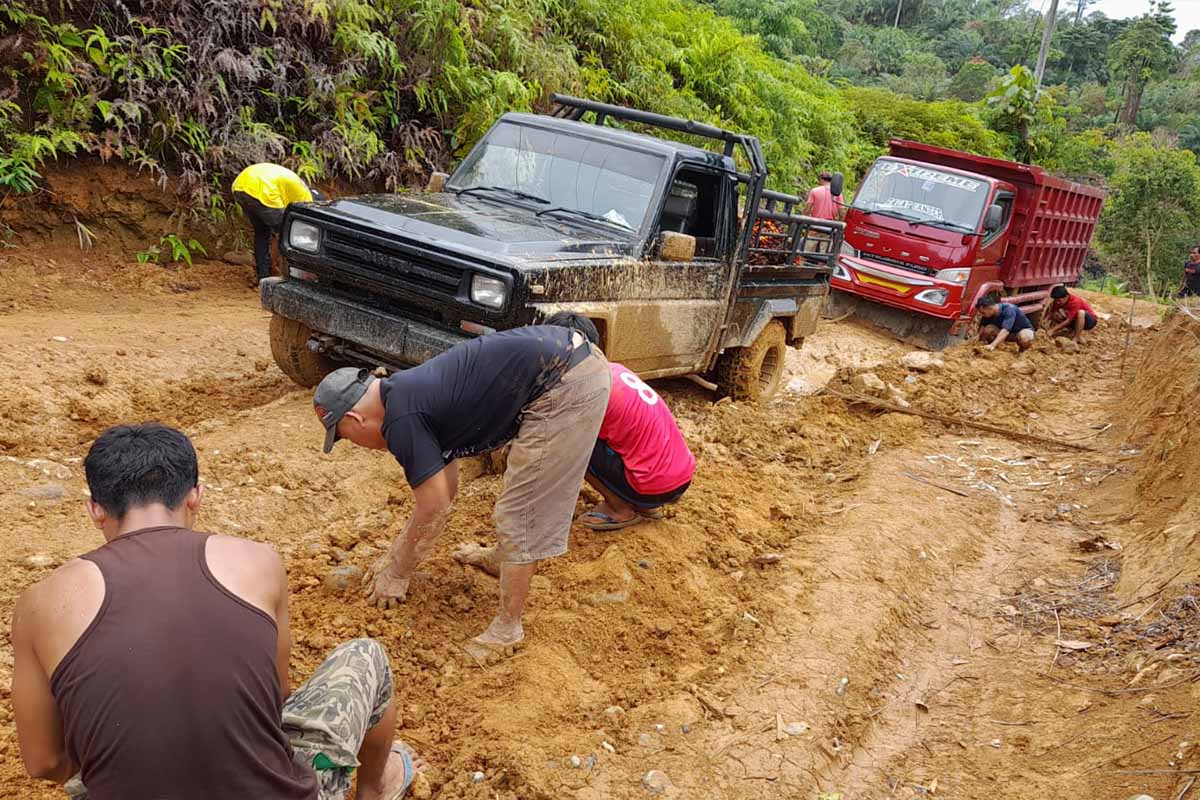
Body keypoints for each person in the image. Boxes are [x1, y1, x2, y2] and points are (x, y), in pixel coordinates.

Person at [12, 423, 424, 800]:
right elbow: (274, 699)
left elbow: (44, 763)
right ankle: (373, 788)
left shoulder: (41, 602)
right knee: (365, 656)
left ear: (95, 509)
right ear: (195, 496)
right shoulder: (258, 563)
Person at [313, 325, 610, 661]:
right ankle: (502, 560)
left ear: (354, 418)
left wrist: (398, 572)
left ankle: (507, 628)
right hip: (566, 364)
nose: (357, 445)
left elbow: (434, 506)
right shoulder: (408, 394)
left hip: (565, 381)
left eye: (346, 436)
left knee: (522, 510)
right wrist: (397, 555)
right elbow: (446, 490)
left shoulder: (402, 418)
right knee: (517, 497)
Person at [542, 312, 695, 531]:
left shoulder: (584, 387)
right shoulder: (615, 369)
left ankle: (619, 509)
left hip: (654, 486)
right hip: (679, 477)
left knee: (568, 442)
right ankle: (646, 506)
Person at [232, 163, 321, 282]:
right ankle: (286, 274)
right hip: (263, 190)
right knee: (286, 235)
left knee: (262, 232)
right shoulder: (307, 200)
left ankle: (262, 275)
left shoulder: (296, 188)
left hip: (240, 186)